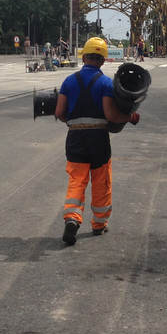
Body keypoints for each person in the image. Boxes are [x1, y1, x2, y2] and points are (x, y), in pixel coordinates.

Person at [54, 36, 140, 245]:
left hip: (75, 137)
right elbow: (111, 116)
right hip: (98, 139)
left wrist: (74, 121)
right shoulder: (105, 83)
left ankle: (72, 219)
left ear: (83, 57)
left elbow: (59, 112)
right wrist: (129, 118)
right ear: (103, 60)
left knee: (77, 180)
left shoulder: (69, 81)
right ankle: (99, 224)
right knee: (101, 181)